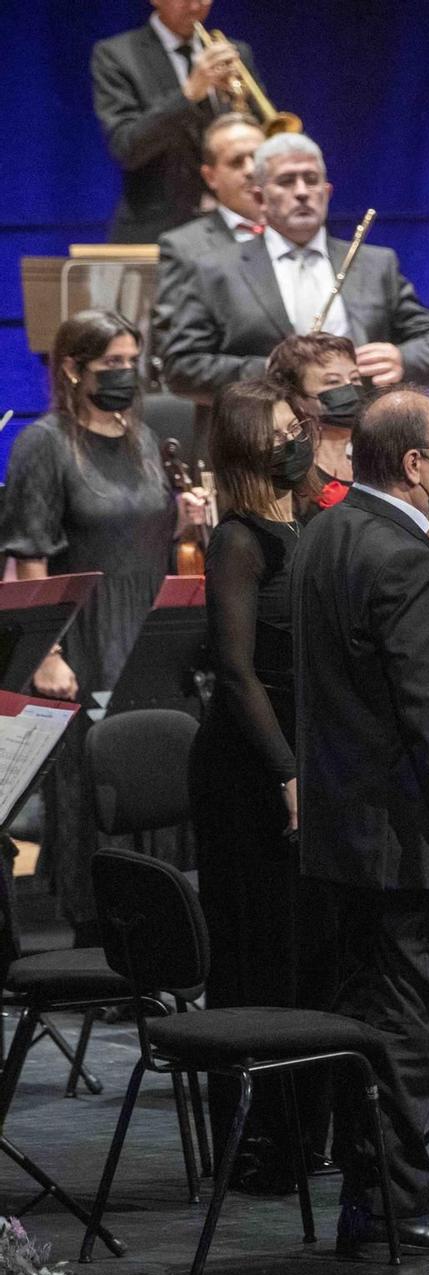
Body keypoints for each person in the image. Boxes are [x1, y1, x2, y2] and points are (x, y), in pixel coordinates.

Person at [292, 387, 429, 1255]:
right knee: (406, 1034)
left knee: (367, 1025)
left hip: (344, 836)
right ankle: (396, 1210)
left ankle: (368, 1201)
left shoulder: (323, 535)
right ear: (414, 465)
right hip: (409, 844)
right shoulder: (405, 559)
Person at [0, 310, 204, 945]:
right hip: (83, 635)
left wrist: (185, 522)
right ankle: (104, 940)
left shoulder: (144, 439)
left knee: (157, 781)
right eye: (110, 364)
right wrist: (48, 654)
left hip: (148, 630)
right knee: (97, 793)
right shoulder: (46, 444)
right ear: (72, 368)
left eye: (130, 361)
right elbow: (28, 560)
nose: (124, 375)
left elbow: (138, 535)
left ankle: (163, 939)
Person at [188, 376, 328, 1191]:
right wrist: (287, 775)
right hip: (249, 769)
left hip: (303, 757)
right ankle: (254, 1141)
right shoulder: (238, 540)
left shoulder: (308, 524)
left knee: (306, 949)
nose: (297, 438)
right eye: (281, 431)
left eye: (296, 424)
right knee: (254, 954)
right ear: (248, 449)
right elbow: (236, 674)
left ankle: (308, 1130)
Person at [159, 132, 429, 443]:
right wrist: (278, 373)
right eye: (287, 181)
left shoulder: (374, 264)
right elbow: (181, 367)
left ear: (327, 192)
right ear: (260, 197)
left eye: (311, 180)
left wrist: (402, 358)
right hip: (262, 446)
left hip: (364, 448)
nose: (302, 192)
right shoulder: (215, 270)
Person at [90, 0, 263, 242]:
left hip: (233, 227)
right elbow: (126, 146)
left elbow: (261, 131)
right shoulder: (116, 55)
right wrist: (189, 95)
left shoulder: (235, 52)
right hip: (156, 228)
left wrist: (238, 111)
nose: (195, 6)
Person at [151, 113, 266, 353]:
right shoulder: (183, 247)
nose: (251, 170)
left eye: (259, 158)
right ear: (210, 176)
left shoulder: (301, 234)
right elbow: (181, 354)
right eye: (236, 162)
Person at [265, 332, 363, 515]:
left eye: (355, 378)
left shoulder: (375, 454)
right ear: (295, 394)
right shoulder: (288, 471)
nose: (350, 389)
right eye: (333, 381)